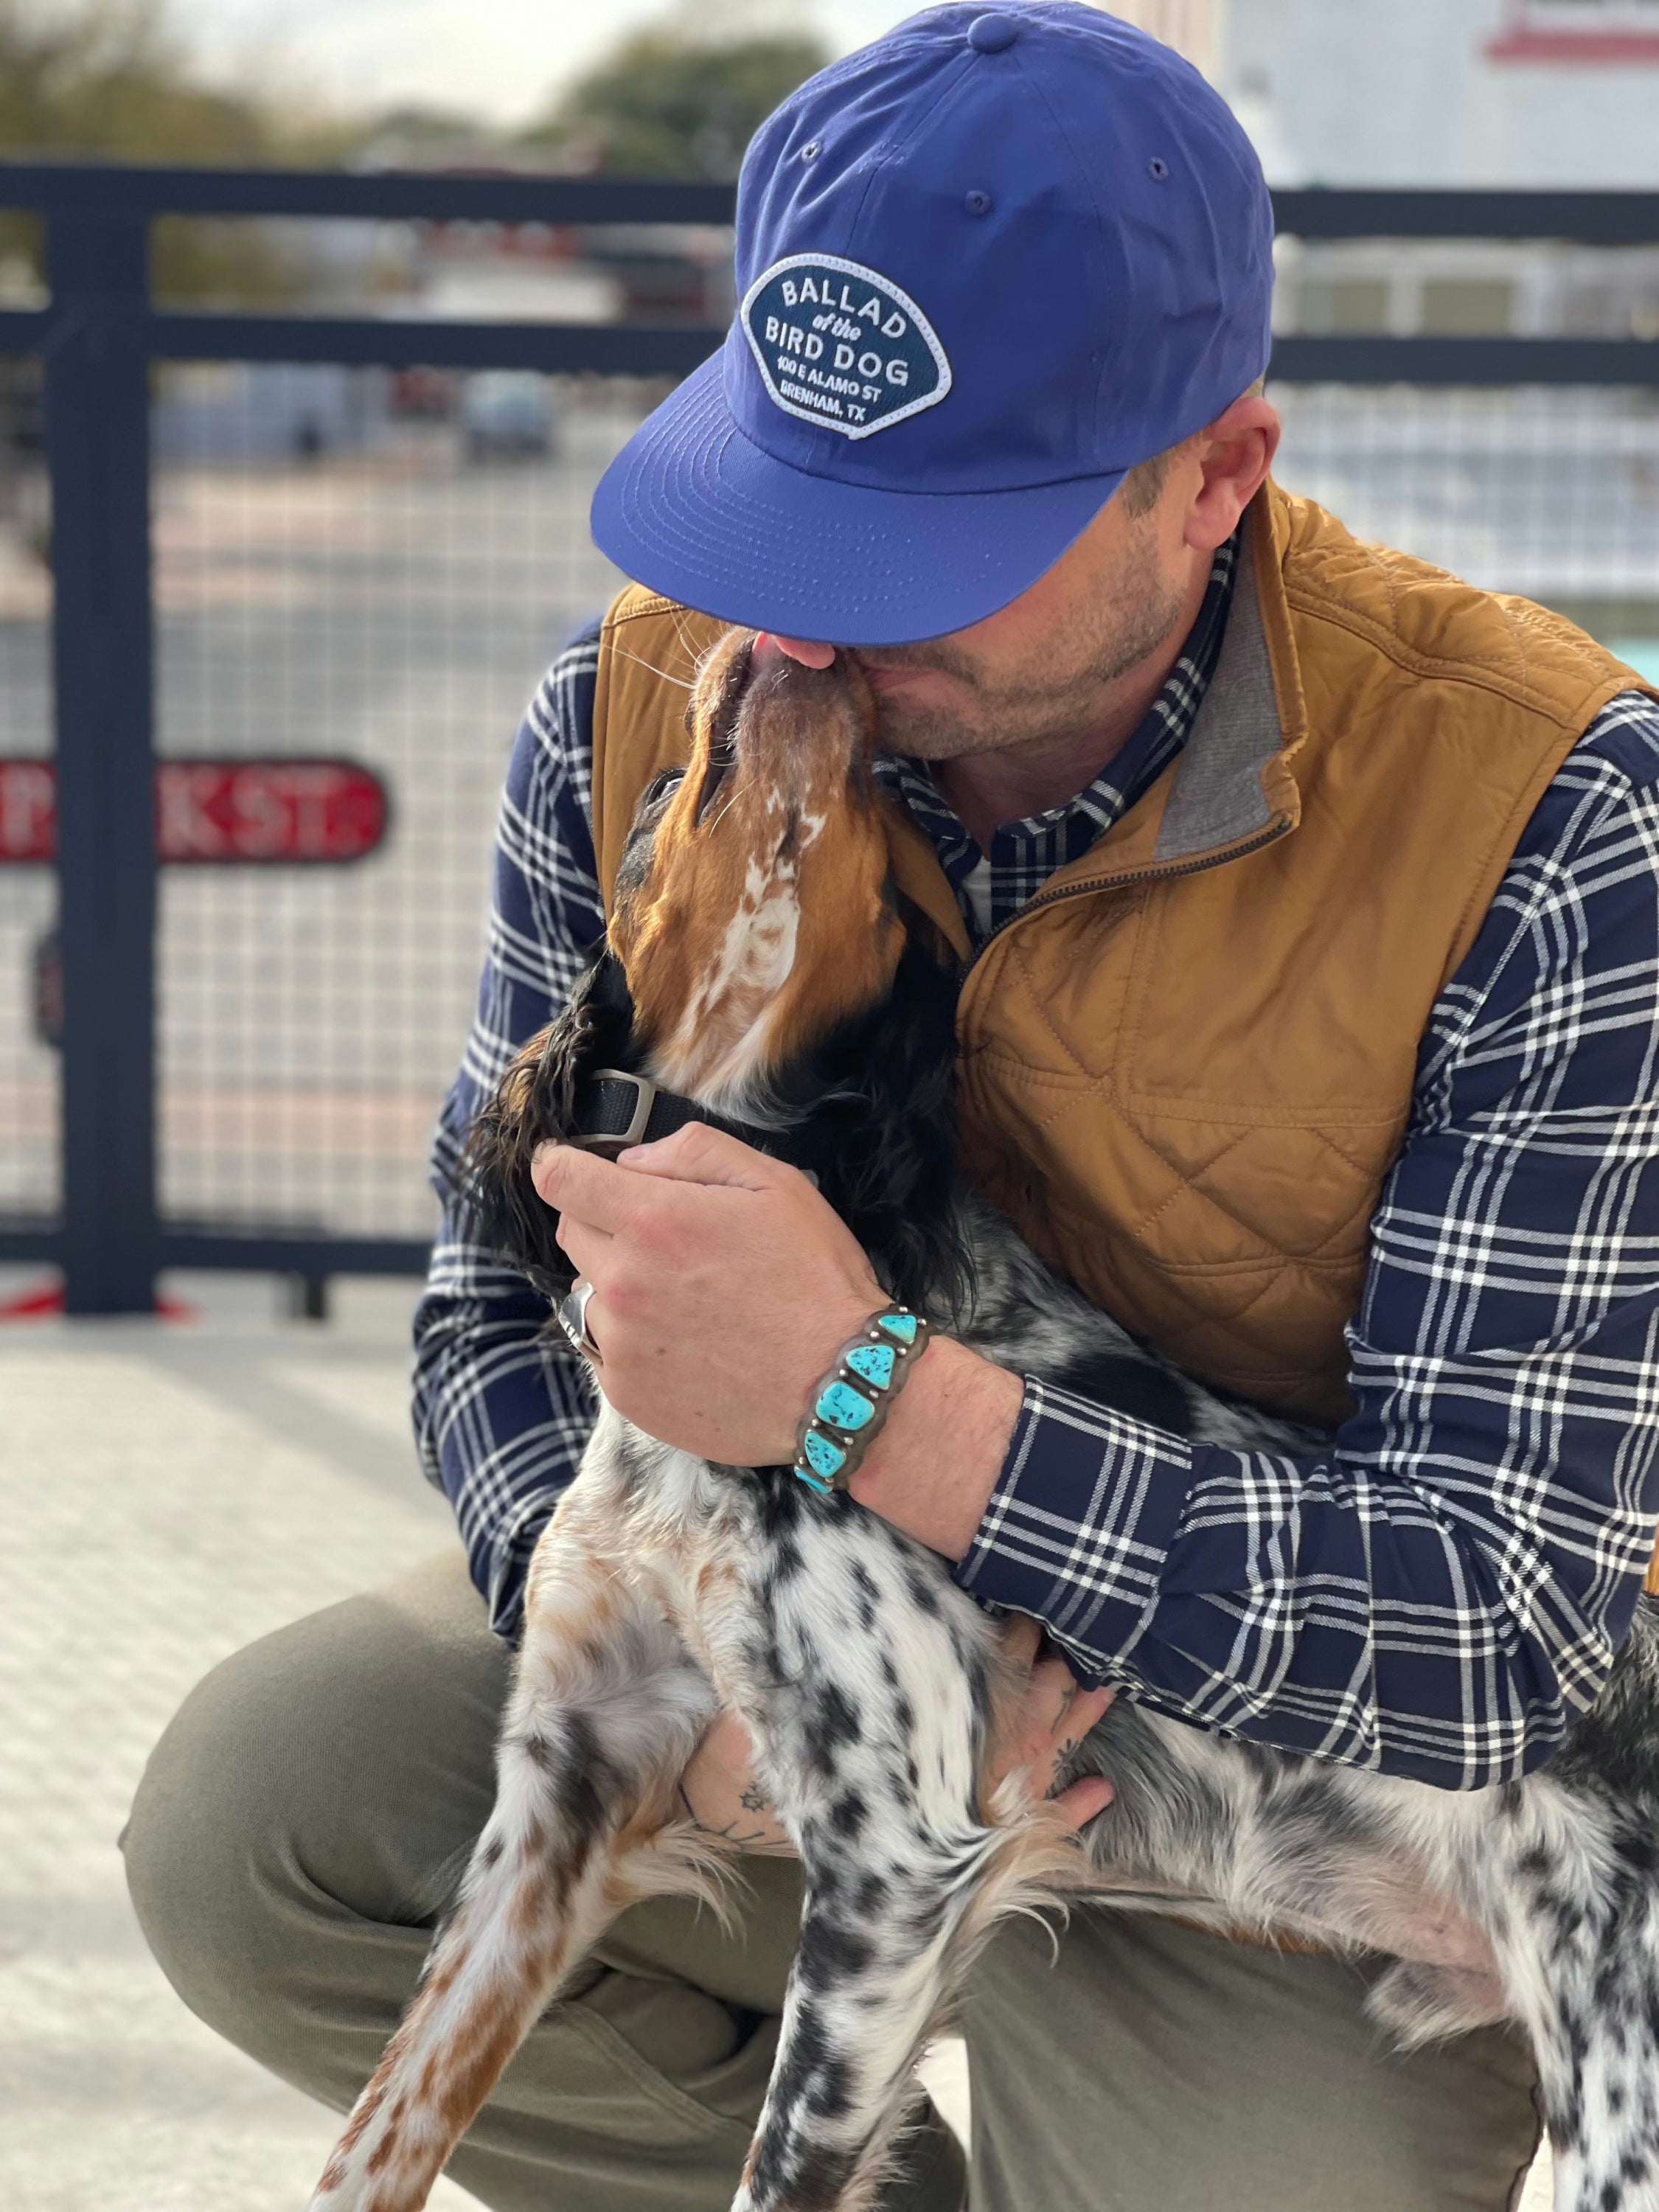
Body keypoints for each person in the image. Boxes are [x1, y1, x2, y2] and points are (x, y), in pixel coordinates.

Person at [123, 7, 1659, 2209]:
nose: (809, 615)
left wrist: (879, 1407)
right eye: (794, 495)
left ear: (1215, 473)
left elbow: (1496, 1627)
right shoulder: (649, 699)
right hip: (789, 1667)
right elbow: (487, 1296)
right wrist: (715, 1710)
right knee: (264, 1823)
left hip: (1292, 1790)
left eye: (933, 539)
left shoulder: (1545, 814)